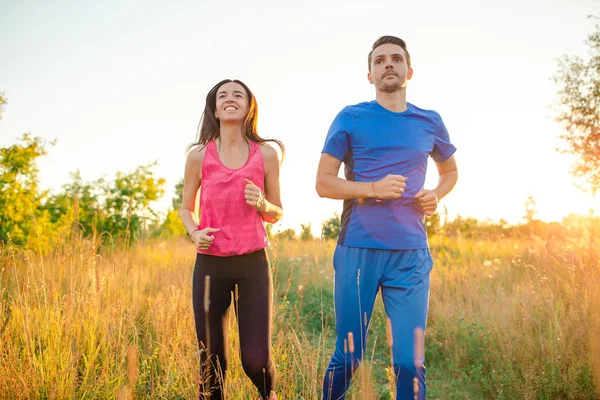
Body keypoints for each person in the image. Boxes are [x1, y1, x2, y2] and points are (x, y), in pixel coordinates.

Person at [316, 36, 458, 399]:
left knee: (410, 362)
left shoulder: (430, 121)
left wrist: (436, 195)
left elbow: (450, 172)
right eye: (380, 61)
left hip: (410, 254)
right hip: (358, 250)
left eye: (396, 59)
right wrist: (374, 187)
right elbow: (323, 184)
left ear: (409, 71)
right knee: (349, 356)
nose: (388, 64)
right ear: (370, 74)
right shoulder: (351, 117)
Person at [180, 79, 283, 400]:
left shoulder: (266, 154)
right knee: (211, 365)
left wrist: (261, 203)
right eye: (222, 95)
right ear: (214, 108)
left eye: (237, 94)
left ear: (249, 106)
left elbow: (276, 212)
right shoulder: (199, 156)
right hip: (210, 265)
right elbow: (185, 208)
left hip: (253, 263)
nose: (229, 99)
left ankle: (270, 395)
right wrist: (195, 232)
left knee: (255, 362)